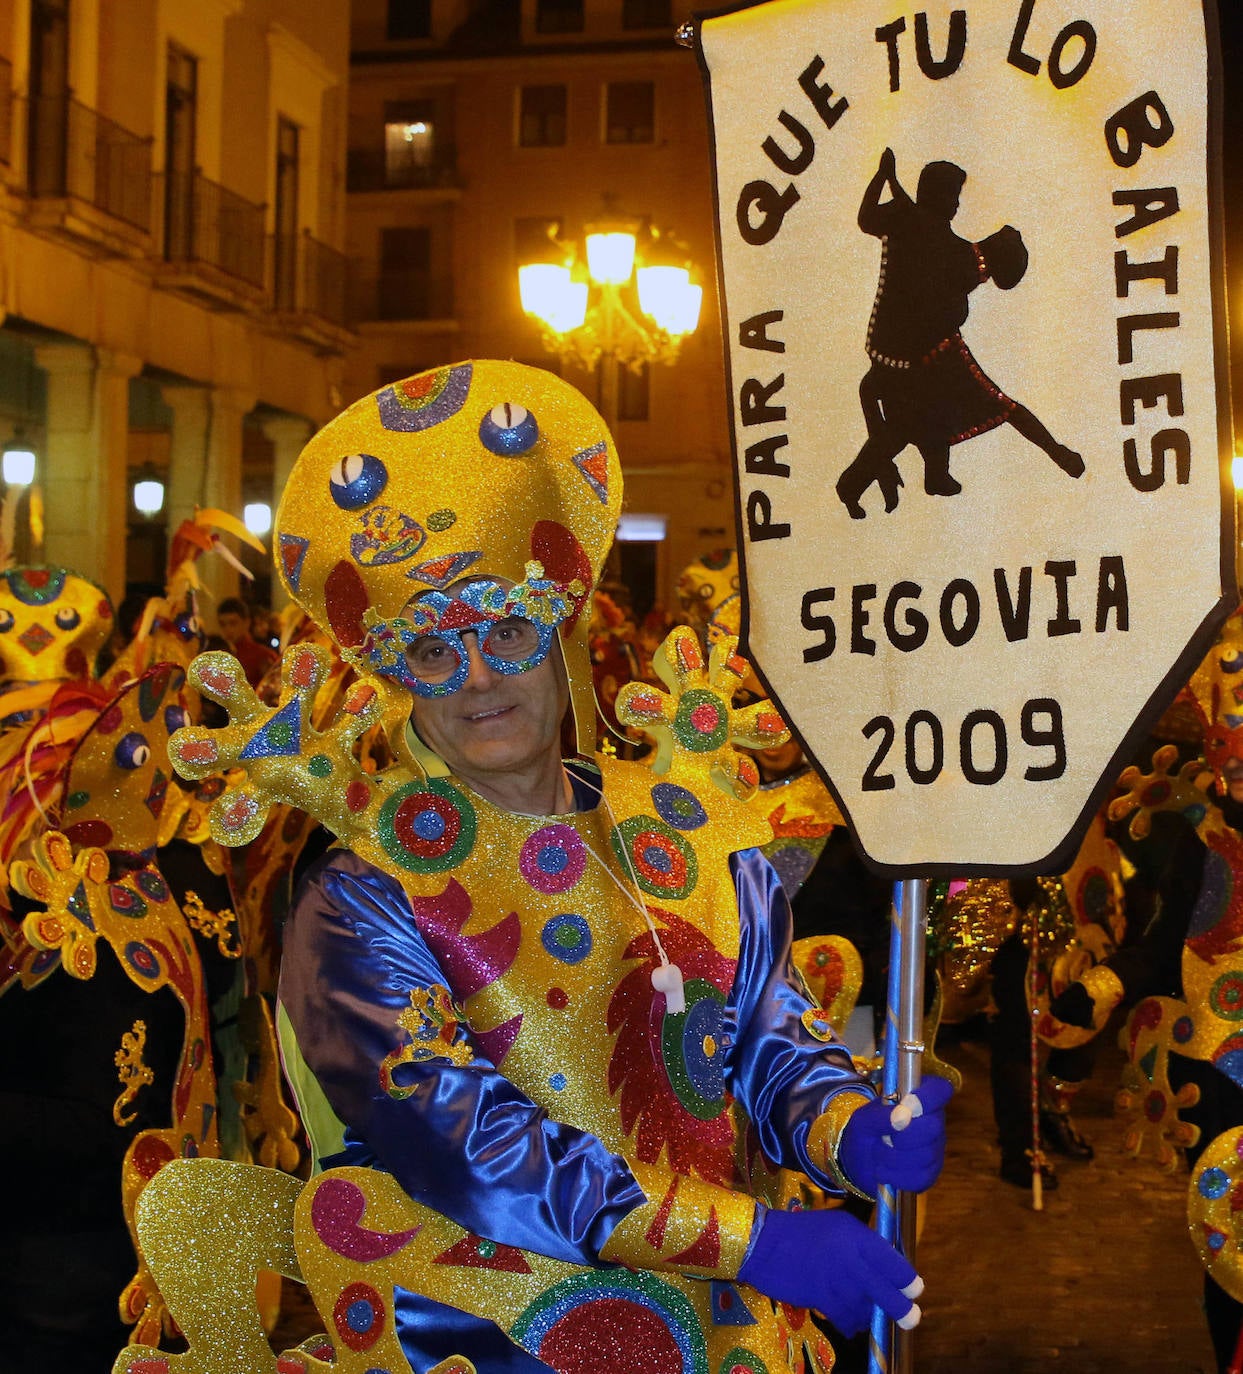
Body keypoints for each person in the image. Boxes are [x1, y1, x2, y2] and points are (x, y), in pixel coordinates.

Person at [167, 362, 950, 1373]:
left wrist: (844, 1127)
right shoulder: (364, 894)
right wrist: (753, 1239)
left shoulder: (688, 828)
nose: (480, 677)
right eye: (435, 652)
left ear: (561, 630)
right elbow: (458, 1138)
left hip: (729, 1340)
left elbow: (761, 1035)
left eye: (504, 630)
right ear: (399, 677)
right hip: (495, 1346)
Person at [836, 148, 1083, 517]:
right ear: (939, 197)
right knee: (928, 419)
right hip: (918, 359)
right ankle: (856, 485)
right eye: (953, 197)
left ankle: (935, 474)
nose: (955, 206)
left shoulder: (909, 221)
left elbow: (878, 216)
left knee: (929, 415)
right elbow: (960, 257)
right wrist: (885, 178)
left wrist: (884, 177)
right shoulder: (948, 247)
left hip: (899, 352)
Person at [216, 595, 277, 688]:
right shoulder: (218, 655)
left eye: (233, 623)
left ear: (247, 623)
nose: (228, 630)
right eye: (223, 624)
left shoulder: (262, 655)